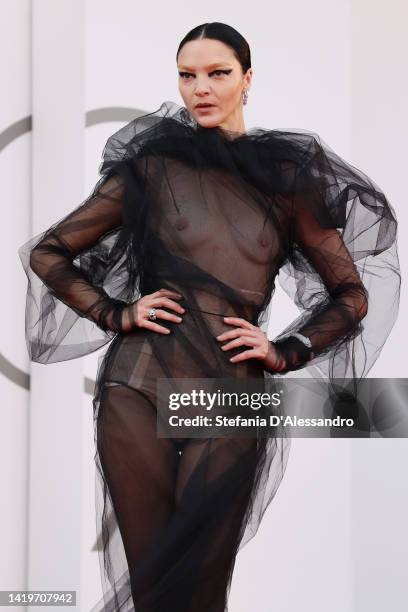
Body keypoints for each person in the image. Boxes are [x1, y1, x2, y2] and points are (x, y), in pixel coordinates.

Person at [19, 22, 400, 612]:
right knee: (152, 588)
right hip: (138, 385)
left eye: (217, 73)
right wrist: (116, 313)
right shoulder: (151, 167)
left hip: (228, 394)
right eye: (187, 74)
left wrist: (286, 349)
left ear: (247, 80)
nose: (201, 87)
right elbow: (48, 252)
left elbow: (350, 294)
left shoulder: (286, 177)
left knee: (200, 587)